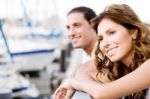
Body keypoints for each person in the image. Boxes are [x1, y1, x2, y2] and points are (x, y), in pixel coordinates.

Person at [53, 4, 150, 99]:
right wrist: (72, 83)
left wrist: (72, 83)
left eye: (112, 33)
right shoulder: (118, 70)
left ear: (134, 32)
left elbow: (101, 93)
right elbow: (83, 73)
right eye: (101, 38)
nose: (104, 43)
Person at [53, 6, 98, 98]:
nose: (71, 33)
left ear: (93, 26)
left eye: (76, 25)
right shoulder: (85, 56)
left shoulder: (106, 53)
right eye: (68, 28)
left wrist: (71, 82)